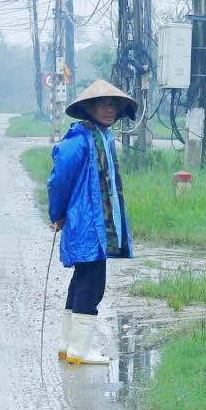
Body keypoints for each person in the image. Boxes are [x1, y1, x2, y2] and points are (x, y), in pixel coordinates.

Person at [46, 79, 137, 365]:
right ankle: (80, 351)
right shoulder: (78, 140)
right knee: (92, 283)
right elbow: (59, 180)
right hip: (86, 221)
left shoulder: (103, 137)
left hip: (98, 223)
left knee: (82, 280)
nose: (109, 109)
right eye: (102, 104)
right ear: (89, 108)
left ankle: (68, 345)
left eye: (114, 105)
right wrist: (57, 213)